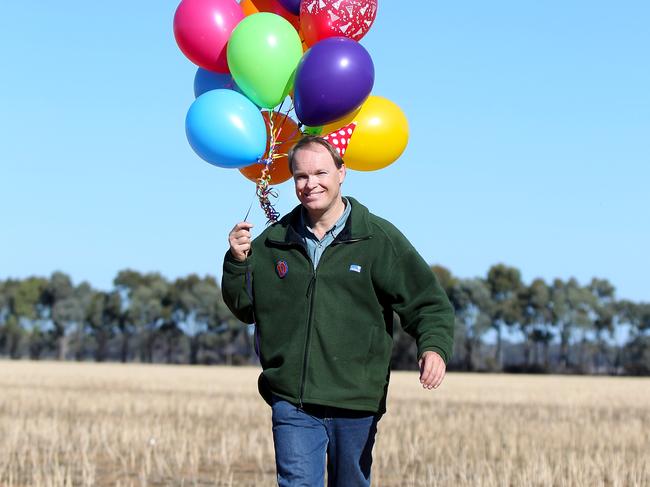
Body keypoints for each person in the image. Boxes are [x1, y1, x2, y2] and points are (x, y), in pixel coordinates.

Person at [222, 135, 454, 486]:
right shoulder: (271, 242)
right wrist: (238, 262)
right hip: (292, 400)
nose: (310, 184)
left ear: (341, 173)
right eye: (301, 176)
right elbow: (244, 306)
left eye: (320, 173)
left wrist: (434, 347)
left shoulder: (377, 239)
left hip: (357, 399)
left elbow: (428, 303)